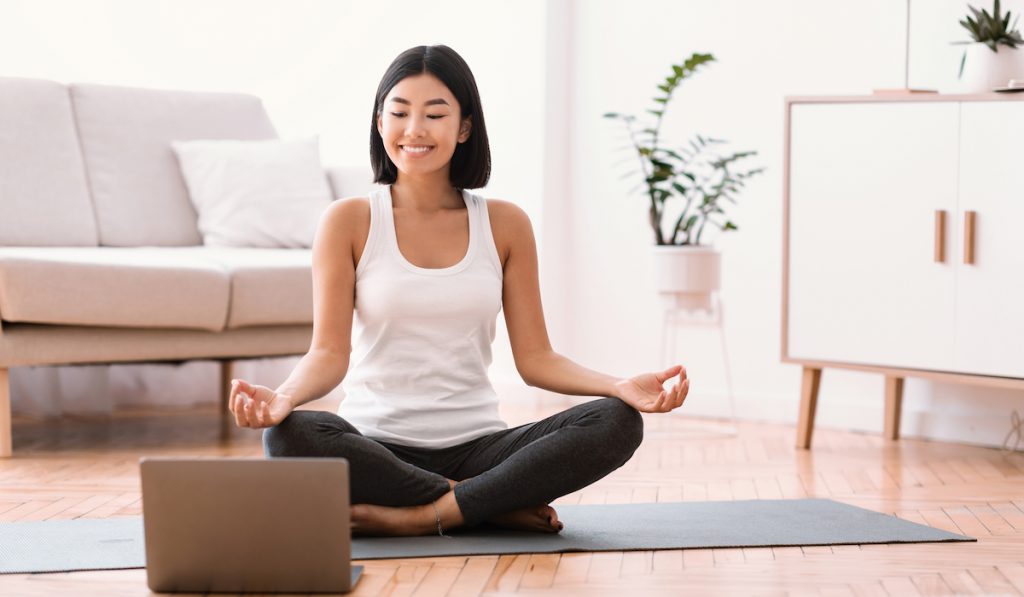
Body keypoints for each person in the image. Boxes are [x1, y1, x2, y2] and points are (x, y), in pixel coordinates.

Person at [227, 45, 690, 537]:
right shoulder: (348, 221)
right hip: (376, 446)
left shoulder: (505, 223)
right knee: (290, 435)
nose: (414, 130)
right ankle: (483, 502)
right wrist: (283, 397)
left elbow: (536, 358)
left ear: (465, 128)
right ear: (379, 123)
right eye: (399, 113)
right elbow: (327, 353)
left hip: (479, 447)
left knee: (617, 422)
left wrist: (616, 386)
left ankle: (424, 514)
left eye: (435, 114)